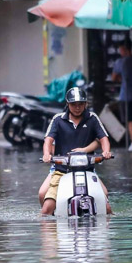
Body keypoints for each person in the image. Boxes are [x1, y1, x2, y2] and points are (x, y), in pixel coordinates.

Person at [39, 87, 113, 216]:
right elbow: (48, 140)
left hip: (87, 170)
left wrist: (106, 152)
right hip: (62, 171)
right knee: (46, 210)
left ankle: (104, 234)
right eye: (73, 104)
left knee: (106, 207)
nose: (77, 107)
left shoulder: (92, 118)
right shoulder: (58, 119)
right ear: (67, 104)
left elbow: (103, 138)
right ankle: (50, 234)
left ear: (86, 104)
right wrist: (46, 154)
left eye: (80, 104)